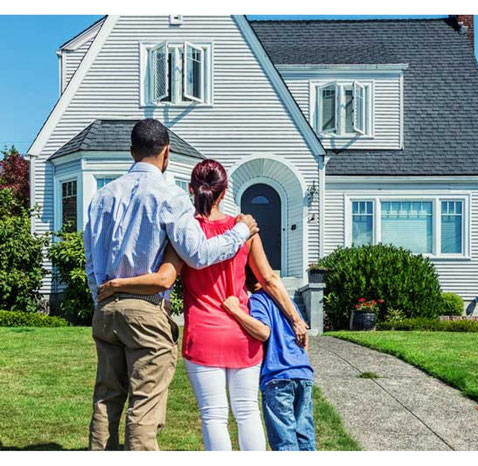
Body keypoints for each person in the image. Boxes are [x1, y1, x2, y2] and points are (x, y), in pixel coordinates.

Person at [97, 158, 309, 451]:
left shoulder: (184, 234)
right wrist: (295, 318)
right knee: (247, 412)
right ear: (224, 192)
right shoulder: (243, 230)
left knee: (214, 416)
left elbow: (165, 277)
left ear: (190, 190)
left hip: (203, 336)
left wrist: (117, 284)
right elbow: (270, 279)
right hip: (242, 335)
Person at [83, 118, 260, 451]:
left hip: (106, 309)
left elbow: (90, 257)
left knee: (106, 398)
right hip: (146, 310)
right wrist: (241, 231)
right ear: (166, 152)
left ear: (131, 152)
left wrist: (101, 296)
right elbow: (197, 254)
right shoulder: (170, 195)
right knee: (144, 406)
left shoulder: (102, 196)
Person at [222, 265, 316, 451]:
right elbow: (304, 336)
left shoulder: (258, 300)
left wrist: (236, 311)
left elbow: (263, 332)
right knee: (305, 436)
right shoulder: (287, 302)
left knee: (285, 442)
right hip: (303, 373)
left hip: (278, 376)